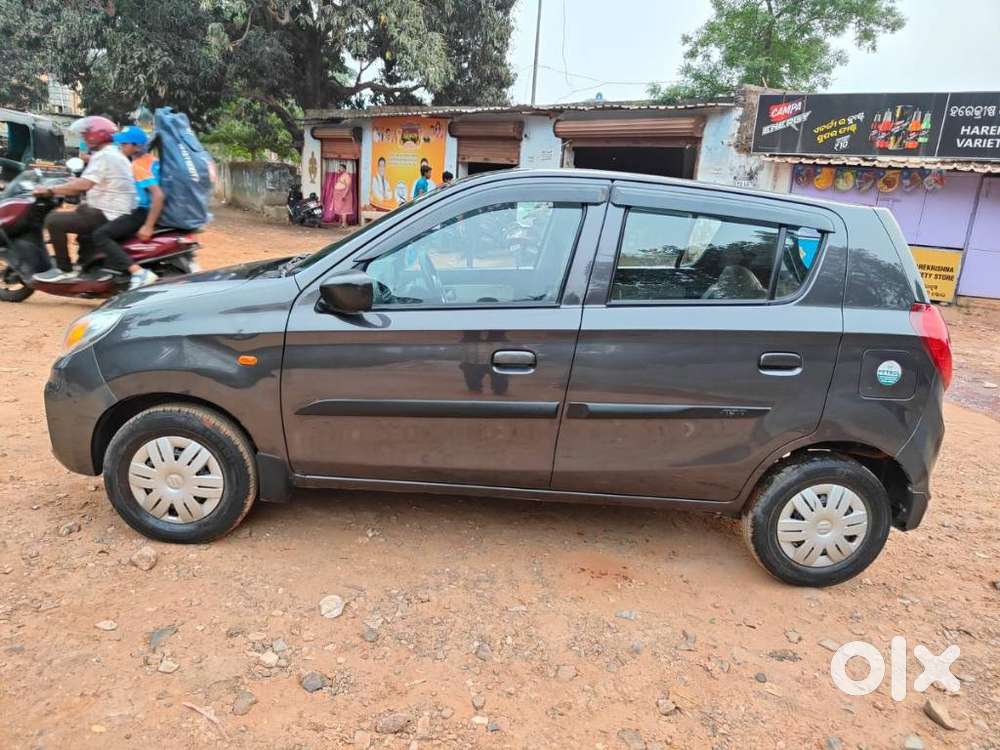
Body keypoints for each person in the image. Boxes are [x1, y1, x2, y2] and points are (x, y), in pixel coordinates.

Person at [32, 116, 135, 283]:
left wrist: (50, 190)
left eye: (86, 134)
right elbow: (96, 181)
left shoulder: (103, 156)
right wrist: (71, 183)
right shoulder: (114, 154)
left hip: (108, 213)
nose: (84, 137)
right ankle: (84, 263)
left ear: (97, 134)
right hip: (115, 210)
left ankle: (64, 270)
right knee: (81, 210)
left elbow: (85, 184)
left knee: (53, 221)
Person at [91, 125, 162, 288]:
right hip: (146, 210)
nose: (120, 147)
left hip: (143, 212)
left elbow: (158, 195)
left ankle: (138, 272)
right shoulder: (152, 161)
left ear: (136, 146)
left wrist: (148, 226)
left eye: (124, 144)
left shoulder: (138, 165)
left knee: (100, 235)